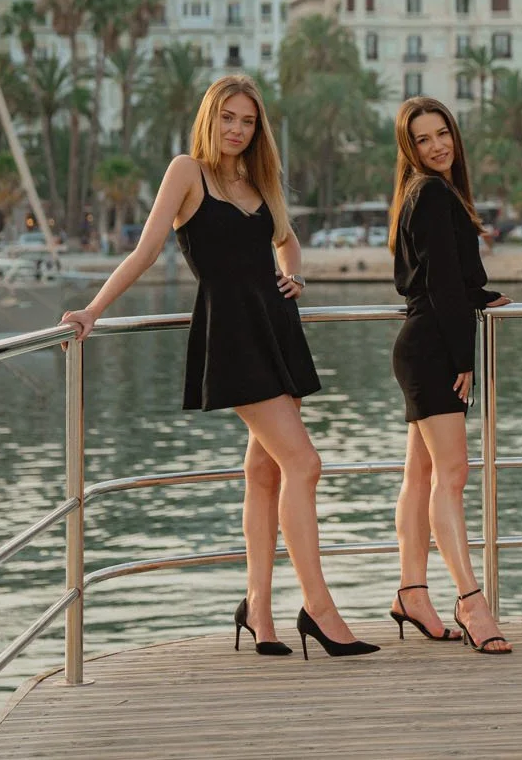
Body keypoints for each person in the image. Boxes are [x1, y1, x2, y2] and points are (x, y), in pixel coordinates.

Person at [60, 76, 376, 660]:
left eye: (248, 121)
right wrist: (93, 311)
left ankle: (259, 609)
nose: (237, 129)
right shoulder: (187, 171)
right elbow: (146, 250)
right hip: (232, 334)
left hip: (277, 327)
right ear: (210, 116)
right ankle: (319, 607)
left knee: (267, 473)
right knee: (304, 462)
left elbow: (287, 240)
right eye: (228, 117)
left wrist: (297, 273)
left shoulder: (257, 179)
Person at [386, 97, 512, 653]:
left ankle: (412, 591)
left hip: (424, 342)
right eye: (423, 139)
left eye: (443, 134)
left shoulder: (421, 194)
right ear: (408, 148)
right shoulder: (432, 193)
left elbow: (434, 277)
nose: (437, 146)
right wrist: (465, 357)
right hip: (434, 348)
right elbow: (435, 286)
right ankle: (469, 598)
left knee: (421, 476)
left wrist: (480, 296)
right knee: (453, 475)